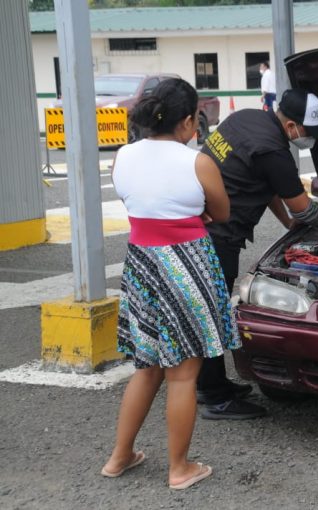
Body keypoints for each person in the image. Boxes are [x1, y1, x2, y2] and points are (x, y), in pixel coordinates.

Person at [196, 88, 318, 419]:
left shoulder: (245, 119)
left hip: (203, 229)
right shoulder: (273, 150)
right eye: (308, 132)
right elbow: (309, 211)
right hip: (218, 237)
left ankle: (213, 382)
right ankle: (214, 396)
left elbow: (268, 187)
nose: (309, 139)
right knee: (212, 313)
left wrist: (288, 224)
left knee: (210, 309)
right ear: (291, 126)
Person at [102, 78, 238, 490]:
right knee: (183, 375)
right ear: (187, 121)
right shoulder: (196, 162)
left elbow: (136, 204)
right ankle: (179, 468)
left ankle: (119, 456)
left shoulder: (122, 157)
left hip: (142, 263)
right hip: (186, 263)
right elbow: (222, 211)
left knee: (146, 368)